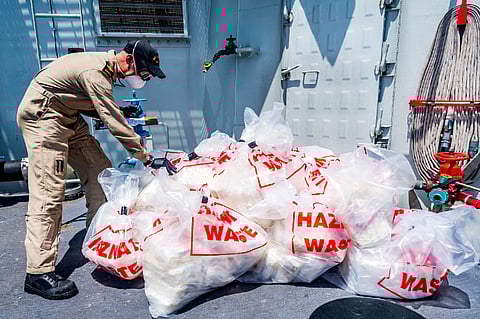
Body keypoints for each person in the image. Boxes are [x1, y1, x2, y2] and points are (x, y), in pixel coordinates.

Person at [16, 40, 166, 300]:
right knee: (49, 192)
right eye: (144, 74)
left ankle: (98, 231)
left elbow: (93, 103)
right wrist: (146, 157)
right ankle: (38, 272)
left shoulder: (106, 71)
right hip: (45, 117)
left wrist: (120, 110)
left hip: (69, 116)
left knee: (101, 170)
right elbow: (110, 118)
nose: (145, 79)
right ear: (129, 60)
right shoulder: (96, 72)